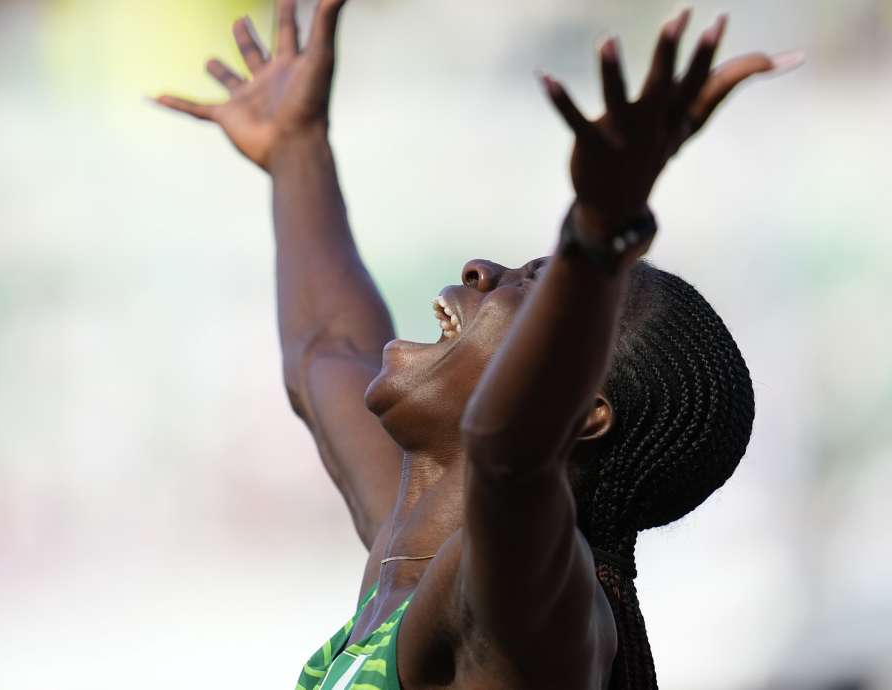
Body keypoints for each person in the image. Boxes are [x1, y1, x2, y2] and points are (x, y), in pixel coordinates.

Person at [156, 2, 800, 688]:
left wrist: (598, 233)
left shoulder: (527, 598)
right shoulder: (410, 556)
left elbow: (510, 456)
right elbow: (326, 350)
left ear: (581, 411)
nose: (480, 271)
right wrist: (296, 147)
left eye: (531, 283)